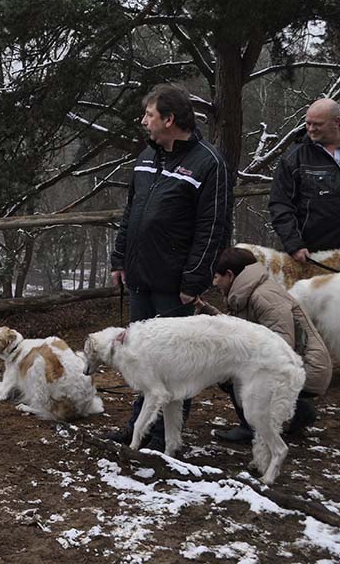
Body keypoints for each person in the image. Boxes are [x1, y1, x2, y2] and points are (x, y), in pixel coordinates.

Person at [107, 84, 231, 452]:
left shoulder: (210, 163)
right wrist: (119, 258)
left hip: (174, 283)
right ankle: (140, 427)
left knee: (173, 363)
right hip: (140, 276)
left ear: (169, 119)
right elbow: (131, 212)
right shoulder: (146, 156)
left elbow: (213, 228)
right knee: (140, 357)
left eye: (149, 115)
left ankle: (165, 436)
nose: (143, 121)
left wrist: (194, 280)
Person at [196, 247, 331, 442]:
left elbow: (282, 345)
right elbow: (236, 328)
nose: (214, 283)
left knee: (231, 371)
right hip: (297, 363)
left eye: (217, 277)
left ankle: (252, 427)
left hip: (308, 369)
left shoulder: (265, 296)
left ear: (230, 275)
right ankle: (299, 411)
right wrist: (205, 310)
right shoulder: (248, 292)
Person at [269, 98, 340, 261]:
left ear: (336, 122)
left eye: (318, 124)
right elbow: (280, 204)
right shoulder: (294, 158)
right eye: (308, 123)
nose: (311, 129)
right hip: (316, 254)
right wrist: (294, 244)